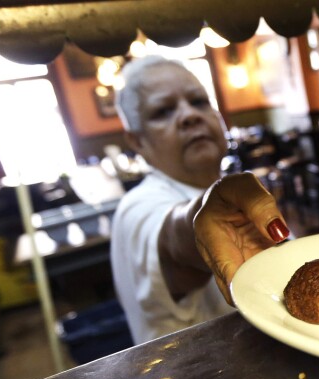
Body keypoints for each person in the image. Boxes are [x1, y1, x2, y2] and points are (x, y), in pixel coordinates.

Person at [111, 55, 289, 344]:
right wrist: (203, 221)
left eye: (198, 101)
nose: (189, 115)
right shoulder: (137, 207)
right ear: (137, 141)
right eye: (162, 111)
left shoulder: (240, 190)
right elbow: (174, 238)